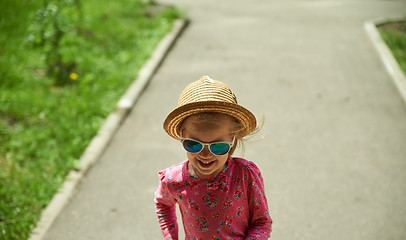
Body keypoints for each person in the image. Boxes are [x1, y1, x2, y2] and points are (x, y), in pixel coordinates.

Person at [155, 76, 273, 239]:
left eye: (218, 146)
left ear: (232, 140)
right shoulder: (173, 180)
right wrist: (171, 236)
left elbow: (261, 222)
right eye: (193, 144)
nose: (205, 155)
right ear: (182, 136)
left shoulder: (245, 175)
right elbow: (163, 203)